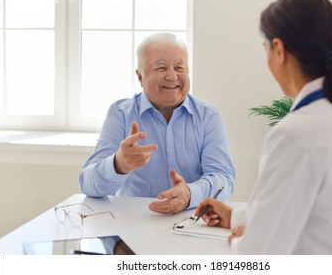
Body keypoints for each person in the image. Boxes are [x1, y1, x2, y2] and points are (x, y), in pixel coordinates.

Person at [195, 0, 332, 254]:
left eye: (264, 47)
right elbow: (331, 215)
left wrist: (243, 240)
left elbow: (260, 257)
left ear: (278, 49)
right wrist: (238, 218)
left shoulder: (297, 134)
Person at [79, 33, 235, 214]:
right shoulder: (120, 114)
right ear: (140, 77)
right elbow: (88, 184)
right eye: (161, 68)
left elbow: (223, 179)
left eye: (179, 67)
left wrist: (189, 195)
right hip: (133, 225)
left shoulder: (209, 116)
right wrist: (118, 164)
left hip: (192, 223)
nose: (172, 76)